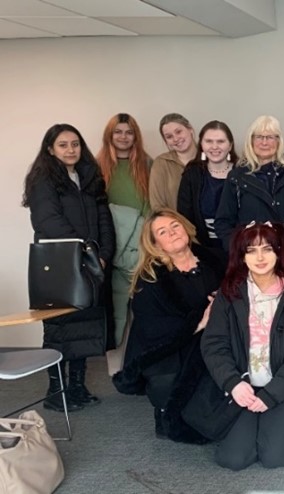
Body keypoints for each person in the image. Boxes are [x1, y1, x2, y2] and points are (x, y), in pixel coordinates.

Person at [201, 222, 284, 470]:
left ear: (279, 252)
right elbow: (214, 343)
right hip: (243, 385)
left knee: (276, 458)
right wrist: (232, 383)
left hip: (283, 387)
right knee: (233, 459)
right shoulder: (230, 292)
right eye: (251, 250)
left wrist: (272, 394)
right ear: (242, 256)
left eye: (267, 249)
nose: (259, 257)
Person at [23, 123, 116, 412]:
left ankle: (77, 386)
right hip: (59, 264)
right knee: (59, 329)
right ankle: (55, 391)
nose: (71, 149)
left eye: (75, 143)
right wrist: (85, 250)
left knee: (84, 327)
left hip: (90, 263)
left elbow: (103, 218)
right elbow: (48, 223)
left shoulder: (89, 176)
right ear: (50, 148)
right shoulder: (42, 179)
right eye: (63, 144)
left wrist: (104, 253)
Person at [112, 209, 224, 442]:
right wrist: (199, 322)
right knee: (172, 380)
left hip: (216, 338)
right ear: (155, 244)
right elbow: (151, 327)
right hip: (171, 344)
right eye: (162, 232)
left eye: (175, 226)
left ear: (186, 228)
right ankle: (167, 413)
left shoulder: (218, 260)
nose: (172, 233)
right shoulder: (150, 277)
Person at [214, 115, 284, 258]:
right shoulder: (236, 177)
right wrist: (240, 251)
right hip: (253, 261)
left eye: (270, 137)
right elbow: (223, 222)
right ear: (251, 140)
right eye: (259, 137)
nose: (264, 142)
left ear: (279, 141)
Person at [95, 112, 152, 346]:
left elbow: (153, 205)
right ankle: (114, 368)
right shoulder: (96, 166)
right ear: (109, 135)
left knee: (145, 308)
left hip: (141, 246)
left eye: (129, 132)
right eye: (118, 131)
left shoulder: (148, 164)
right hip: (111, 246)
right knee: (115, 311)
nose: (123, 137)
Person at [177, 120, 239, 253]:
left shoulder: (243, 174)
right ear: (201, 145)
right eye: (209, 141)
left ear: (230, 145)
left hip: (239, 247)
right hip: (203, 248)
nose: (214, 147)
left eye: (221, 141)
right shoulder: (192, 174)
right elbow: (184, 215)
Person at [150, 113, 197, 211]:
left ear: (190, 129)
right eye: (169, 136)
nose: (175, 139)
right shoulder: (161, 163)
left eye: (179, 132)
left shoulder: (210, 157)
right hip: (175, 224)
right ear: (166, 141)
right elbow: (157, 205)